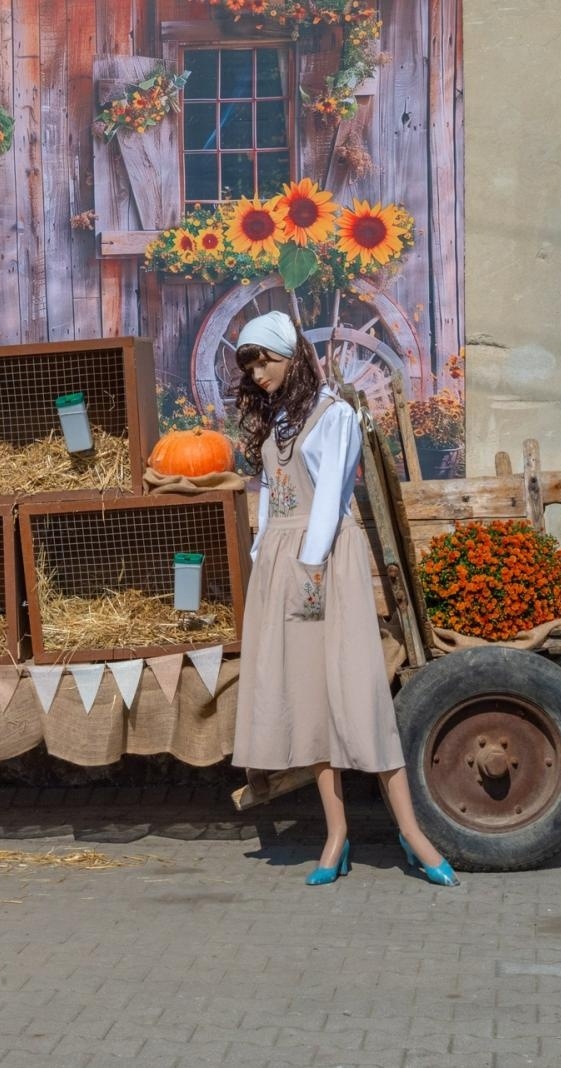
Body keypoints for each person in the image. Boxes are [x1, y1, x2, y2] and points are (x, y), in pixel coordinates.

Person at [230, 310, 459, 888]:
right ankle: (336, 834)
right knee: (309, 701)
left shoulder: (335, 416)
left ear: (294, 357)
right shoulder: (279, 417)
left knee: (358, 695)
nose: (258, 373)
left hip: (325, 559)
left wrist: (309, 568)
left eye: (267, 360)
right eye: (251, 363)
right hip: (283, 561)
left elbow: (330, 498)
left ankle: (411, 832)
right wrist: (263, 561)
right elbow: (269, 502)